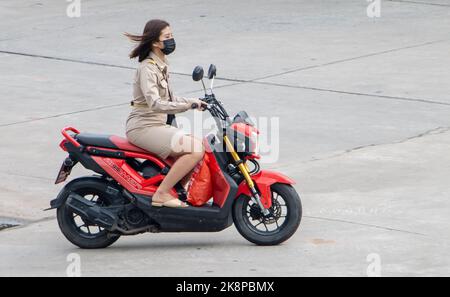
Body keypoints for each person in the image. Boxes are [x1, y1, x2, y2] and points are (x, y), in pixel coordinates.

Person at [125, 19, 206, 208]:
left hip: (157, 124)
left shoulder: (160, 64)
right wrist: (188, 107)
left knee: (197, 144)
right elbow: (156, 103)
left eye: (172, 36)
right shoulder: (147, 68)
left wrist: (193, 101)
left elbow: (169, 97)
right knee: (195, 149)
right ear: (155, 42)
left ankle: (176, 191)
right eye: (167, 37)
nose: (171, 40)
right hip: (144, 126)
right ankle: (162, 194)